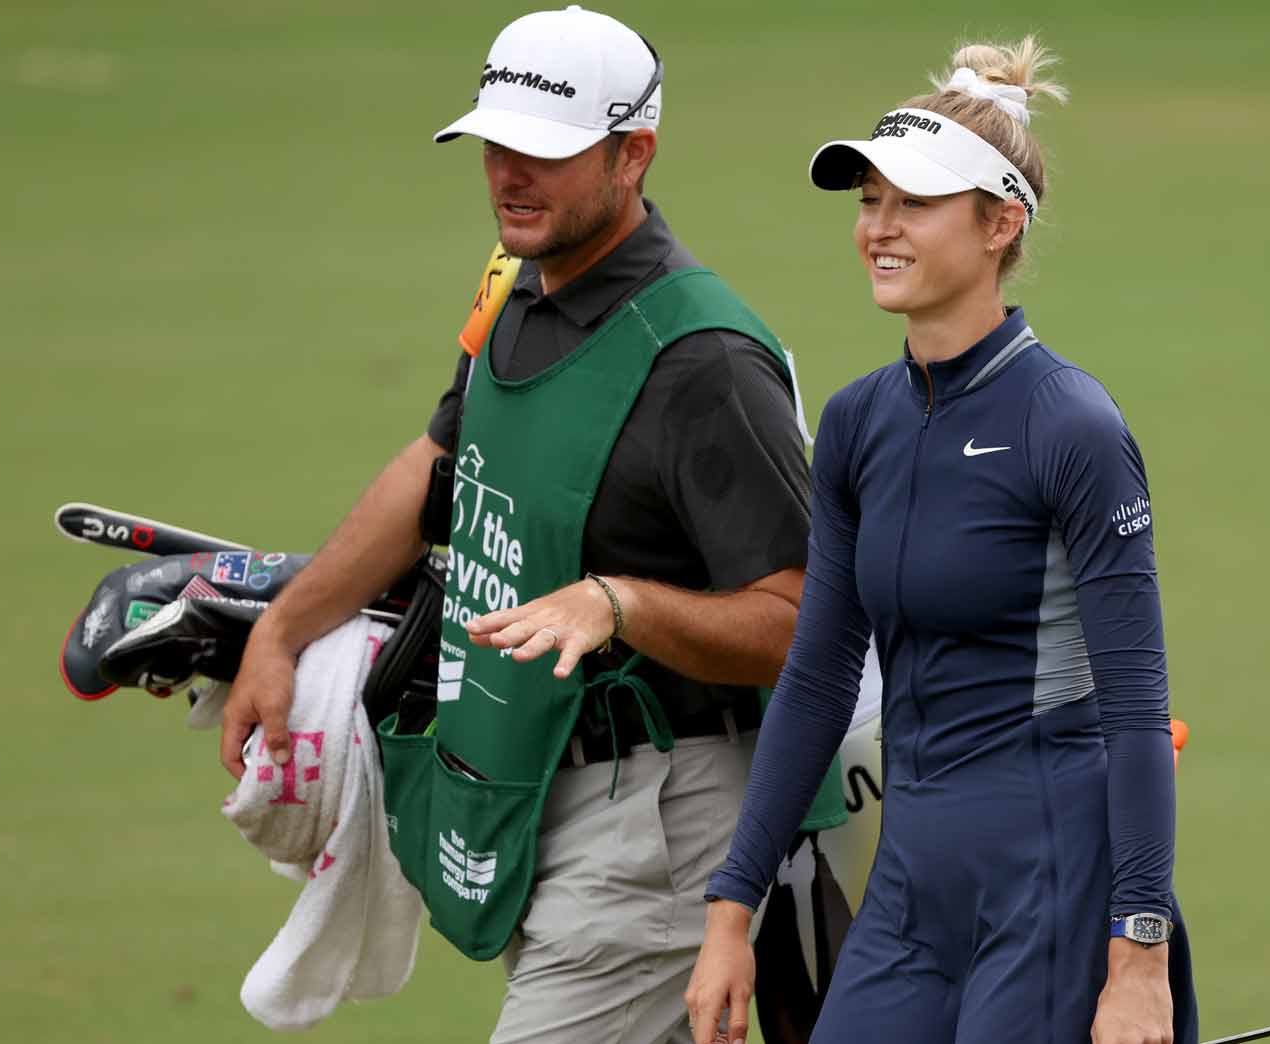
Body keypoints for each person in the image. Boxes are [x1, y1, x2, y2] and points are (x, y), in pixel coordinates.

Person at [219, 7, 841, 1043]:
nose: (510, 174)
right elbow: (440, 467)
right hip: (530, 790)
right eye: (495, 144)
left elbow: (803, 620)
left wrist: (619, 604)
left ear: (632, 154)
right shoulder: (514, 284)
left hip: (659, 825)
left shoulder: (706, 361)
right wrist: (282, 632)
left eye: (546, 152)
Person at [686, 38, 1198, 1044]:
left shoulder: (1071, 426)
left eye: (913, 203)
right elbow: (817, 678)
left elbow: (1138, 713)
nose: (878, 227)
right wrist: (731, 905)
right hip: (911, 886)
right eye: (869, 200)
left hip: (1051, 885)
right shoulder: (857, 423)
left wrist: (1138, 960)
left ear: (1001, 223)